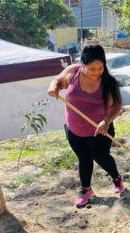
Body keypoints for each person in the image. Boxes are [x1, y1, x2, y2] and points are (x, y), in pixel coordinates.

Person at [47, 45, 125, 208]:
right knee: (84, 158)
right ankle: (86, 190)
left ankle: (116, 178)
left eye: (100, 68)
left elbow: (117, 105)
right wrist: (53, 87)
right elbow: (58, 81)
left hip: (99, 130)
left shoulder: (108, 82)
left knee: (101, 157)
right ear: (82, 64)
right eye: (91, 68)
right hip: (74, 129)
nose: (96, 72)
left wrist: (106, 121)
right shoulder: (73, 71)